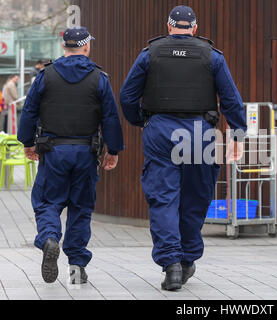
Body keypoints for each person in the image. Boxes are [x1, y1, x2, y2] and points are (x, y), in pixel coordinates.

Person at [120, 5, 247, 291]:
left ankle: (171, 265)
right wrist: (237, 135)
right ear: (194, 27)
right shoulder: (212, 56)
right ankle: (188, 258)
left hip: (161, 130)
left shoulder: (149, 54)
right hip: (200, 133)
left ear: (169, 26)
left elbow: (127, 95)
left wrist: (143, 121)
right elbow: (230, 100)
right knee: (196, 197)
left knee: (163, 199)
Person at [18, 27, 125, 285]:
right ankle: (76, 267)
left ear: (63, 46)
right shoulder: (99, 78)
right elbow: (110, 116)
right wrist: (113, 149)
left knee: (47, 202)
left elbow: (29, 111)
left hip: (53, 151)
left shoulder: (45, 76)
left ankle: (49, 238)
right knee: (81, 208)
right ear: (86, 47)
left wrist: (27, 142)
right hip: (86, 153)